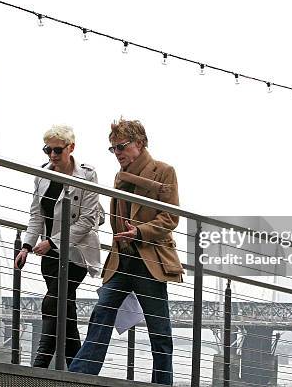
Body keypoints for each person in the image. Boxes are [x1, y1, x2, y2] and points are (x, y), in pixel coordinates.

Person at [69, 118, 184, 385]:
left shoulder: (164, 171)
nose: (117, 153)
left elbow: (170, 217)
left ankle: (162, 383)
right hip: (121, 260)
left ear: (139, 143)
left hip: (150, 261)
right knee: (100, 317)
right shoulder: (120, 178)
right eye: (113, 149)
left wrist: (140, 232)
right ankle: (77, 379)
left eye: (121, 146)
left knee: (160, 332)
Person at [14, 124, 101, 368]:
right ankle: (79, 373)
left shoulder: (87, 175)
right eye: (47, 150)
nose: (52, 156)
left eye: (57, 150)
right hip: (49, 256)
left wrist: (53, 241)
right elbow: (36, 215)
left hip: (76, 253)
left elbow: (87, 220)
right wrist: (26, 246)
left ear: (71, 148)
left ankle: (39, 367)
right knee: (66, 313)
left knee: (52, 302)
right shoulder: (42, 175)